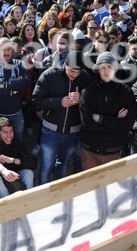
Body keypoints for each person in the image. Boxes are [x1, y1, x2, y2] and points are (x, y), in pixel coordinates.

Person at [32, 51, 92, 184]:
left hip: (72, 132)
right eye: (72, 71)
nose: (74, 75)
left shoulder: (86, 78)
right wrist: (60, 102)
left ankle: (57, 194)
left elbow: (93, 101)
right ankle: (42, 195)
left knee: (63, 164)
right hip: (50, 131)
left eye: (78, 72)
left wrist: (81, 99)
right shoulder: (49, 75)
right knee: (47, 165)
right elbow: (36, 99)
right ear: (65, 64)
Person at [79, 52, 136, 170]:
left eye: (109, 67)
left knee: (113, 187)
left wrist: (101, 119)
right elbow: (87, 124)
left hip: (114, 151)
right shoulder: (88, 92)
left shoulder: (125, 92)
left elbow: (127, 125)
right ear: (97, 70)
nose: (106, 71)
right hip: (90, 150)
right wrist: (115, 122)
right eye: (102, 68)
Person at [0, 37, 30, 141]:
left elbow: (26, 83)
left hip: (15, 112)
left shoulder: (20, 64)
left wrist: (4, 85)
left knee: (17, 142)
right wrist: (14, 89)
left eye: (8, 49)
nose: (6, 52)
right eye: (3, 49)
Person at [0, 117, 36, 200]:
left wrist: (13, 160)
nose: (9, 136)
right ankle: (12, 205)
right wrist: (3, 171)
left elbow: (32, 162)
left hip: (13, 181)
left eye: (11, 131)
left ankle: (27, 200)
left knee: (28, 173)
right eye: (5, 132)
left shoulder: (15, 141)